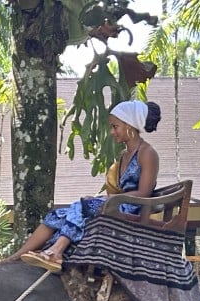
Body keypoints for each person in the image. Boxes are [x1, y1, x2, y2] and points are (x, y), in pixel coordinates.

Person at [10, 100, 161, 273]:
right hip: (115, 203)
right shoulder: (124, 154)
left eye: (115, 126)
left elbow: (144, 193)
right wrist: (105, 199)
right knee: (57, 215)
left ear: (129, 125)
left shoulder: (147, 153)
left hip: (131, 209)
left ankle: (56, 251)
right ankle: (17, 257)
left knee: (81, 205)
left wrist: (109, 199)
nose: (112, 132)